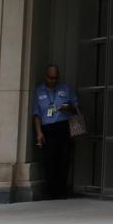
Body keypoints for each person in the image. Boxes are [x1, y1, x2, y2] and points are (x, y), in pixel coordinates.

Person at [31, 63, 79, 199]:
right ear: (45, 76)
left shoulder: (66, 89)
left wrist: (68, 107)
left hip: (63, 126)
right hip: (48, 128)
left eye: (55, 78)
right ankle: (51, 191)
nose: (53, 80)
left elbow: (76, 108)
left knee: (63, 159)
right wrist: (39, 133)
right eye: (50, 78)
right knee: (49, 160)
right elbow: (36, 114)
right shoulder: (39, 91)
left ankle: (61, 190)